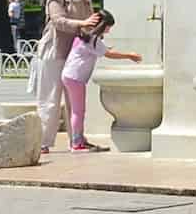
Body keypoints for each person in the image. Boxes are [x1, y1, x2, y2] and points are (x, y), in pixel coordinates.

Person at [27, 0, 100, 154]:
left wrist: (97, 27)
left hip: (74, 55)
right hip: (54, 52)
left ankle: (77, 140)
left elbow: (89, 22)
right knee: (50, 99)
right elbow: (57, 20)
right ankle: (42, 143)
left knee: (74, 101)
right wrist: (82, 23)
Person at [60, 9, 141, 153]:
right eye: (109, 27)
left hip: (69, 75)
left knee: (77, 111)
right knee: (78, 111)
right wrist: (129, 55)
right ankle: (76, 144)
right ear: (102, 25)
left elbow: (97, 50)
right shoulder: (93, 40)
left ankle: (79, 140)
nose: (109, 31)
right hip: (76, 78)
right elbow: (108, 54)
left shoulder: (84, 35)